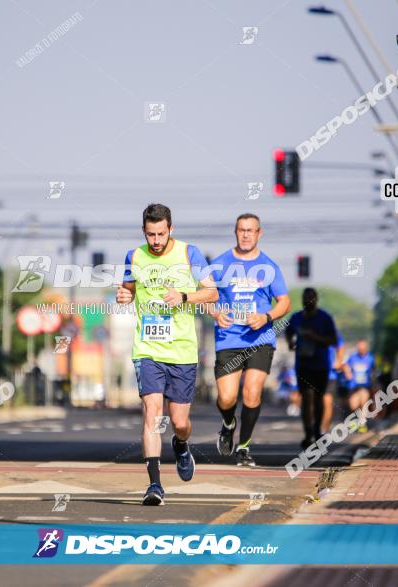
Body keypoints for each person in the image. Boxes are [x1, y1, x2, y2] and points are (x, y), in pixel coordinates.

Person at [116, 203, 217, 506]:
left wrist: (185, 296)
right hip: (147, 348)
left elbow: (212, 292)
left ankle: (182, 444)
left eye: (161, 234)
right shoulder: (133, 256)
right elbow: (128, 289)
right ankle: (155, 485)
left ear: (170, 229)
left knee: (179, 421)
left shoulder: (190, 253)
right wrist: (124, 294)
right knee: (152, 413)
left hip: (182, 349)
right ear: (143, 231)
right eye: (150, 235)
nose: (156, 241)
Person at [210, 214, 290, 467]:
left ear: (259, 234)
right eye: (241, 230)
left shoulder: (269, 267)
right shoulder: (220, 264)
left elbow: (284, 302)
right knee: (227, 398)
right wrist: (215, 312)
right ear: (235, 232)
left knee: (252, 392)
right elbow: (205, 296)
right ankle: (228, 423)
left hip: (260, 338)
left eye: (251, 230)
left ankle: (243, 447)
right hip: (229, 339)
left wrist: (266, 317)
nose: (246, 234)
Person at [285, 288, 338, 449]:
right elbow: (288, 331)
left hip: (321, 365)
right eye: (305, 298)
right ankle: (308, 433)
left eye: (311, 298)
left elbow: (334, 340)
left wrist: (315, 337)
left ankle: (317, 431)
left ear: (316, 299)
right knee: (306, 397)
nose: (308, 301)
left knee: (318, 398)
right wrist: (291, 342)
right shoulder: (296, 317)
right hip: (303, 364)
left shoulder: (325, 318)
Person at [344, 339, 375, 432]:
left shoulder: (370, 358)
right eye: (359, 347)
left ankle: (362, 423)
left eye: (363, 347)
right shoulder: (352, 357)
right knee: (353, 405)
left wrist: (374, 380)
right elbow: (345, 366)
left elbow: (373, 371)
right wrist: (347, 372)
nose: (361, 349)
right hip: (354, 387)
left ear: (366, 348)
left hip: (364, 386)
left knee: (364, 401)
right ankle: (355, 420)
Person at [323, 334, 346, 432]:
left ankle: (324, 429)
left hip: (329, 376)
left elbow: (341, 346)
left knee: (327, 403)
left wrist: (339, 361)